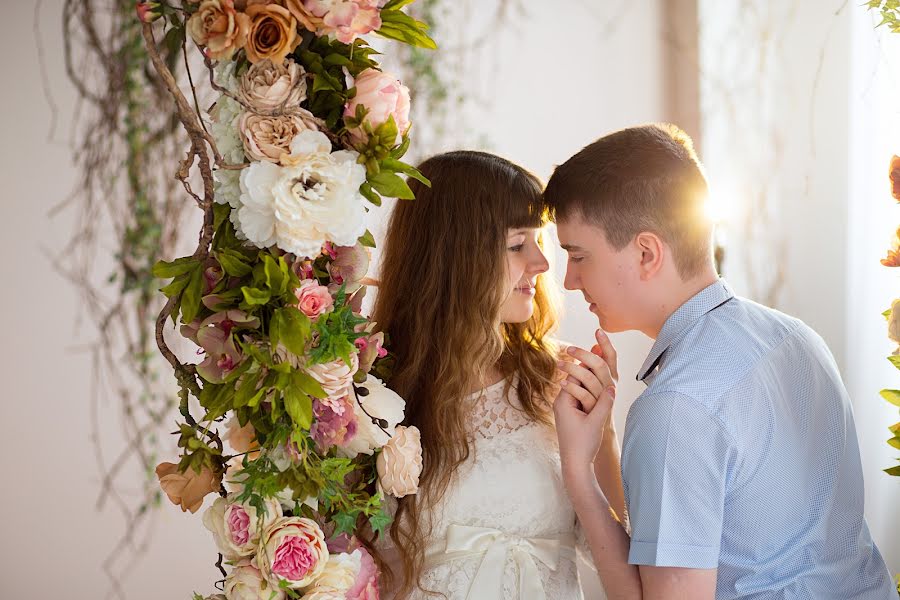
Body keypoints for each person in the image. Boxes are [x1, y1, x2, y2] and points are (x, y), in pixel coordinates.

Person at [546, 123, 895, 599]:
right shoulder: (798, 339)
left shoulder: (676, 407)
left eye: (578, 255)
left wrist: (579, 475)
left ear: (647, 252)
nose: (568, 280)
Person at [370, 150, 624, 599]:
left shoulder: (566, 380)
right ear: (454, 255)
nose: (542, 264)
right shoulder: (372, 393)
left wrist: (600, 437)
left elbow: (627, 561)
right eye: (516, 245)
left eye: (537, 241)